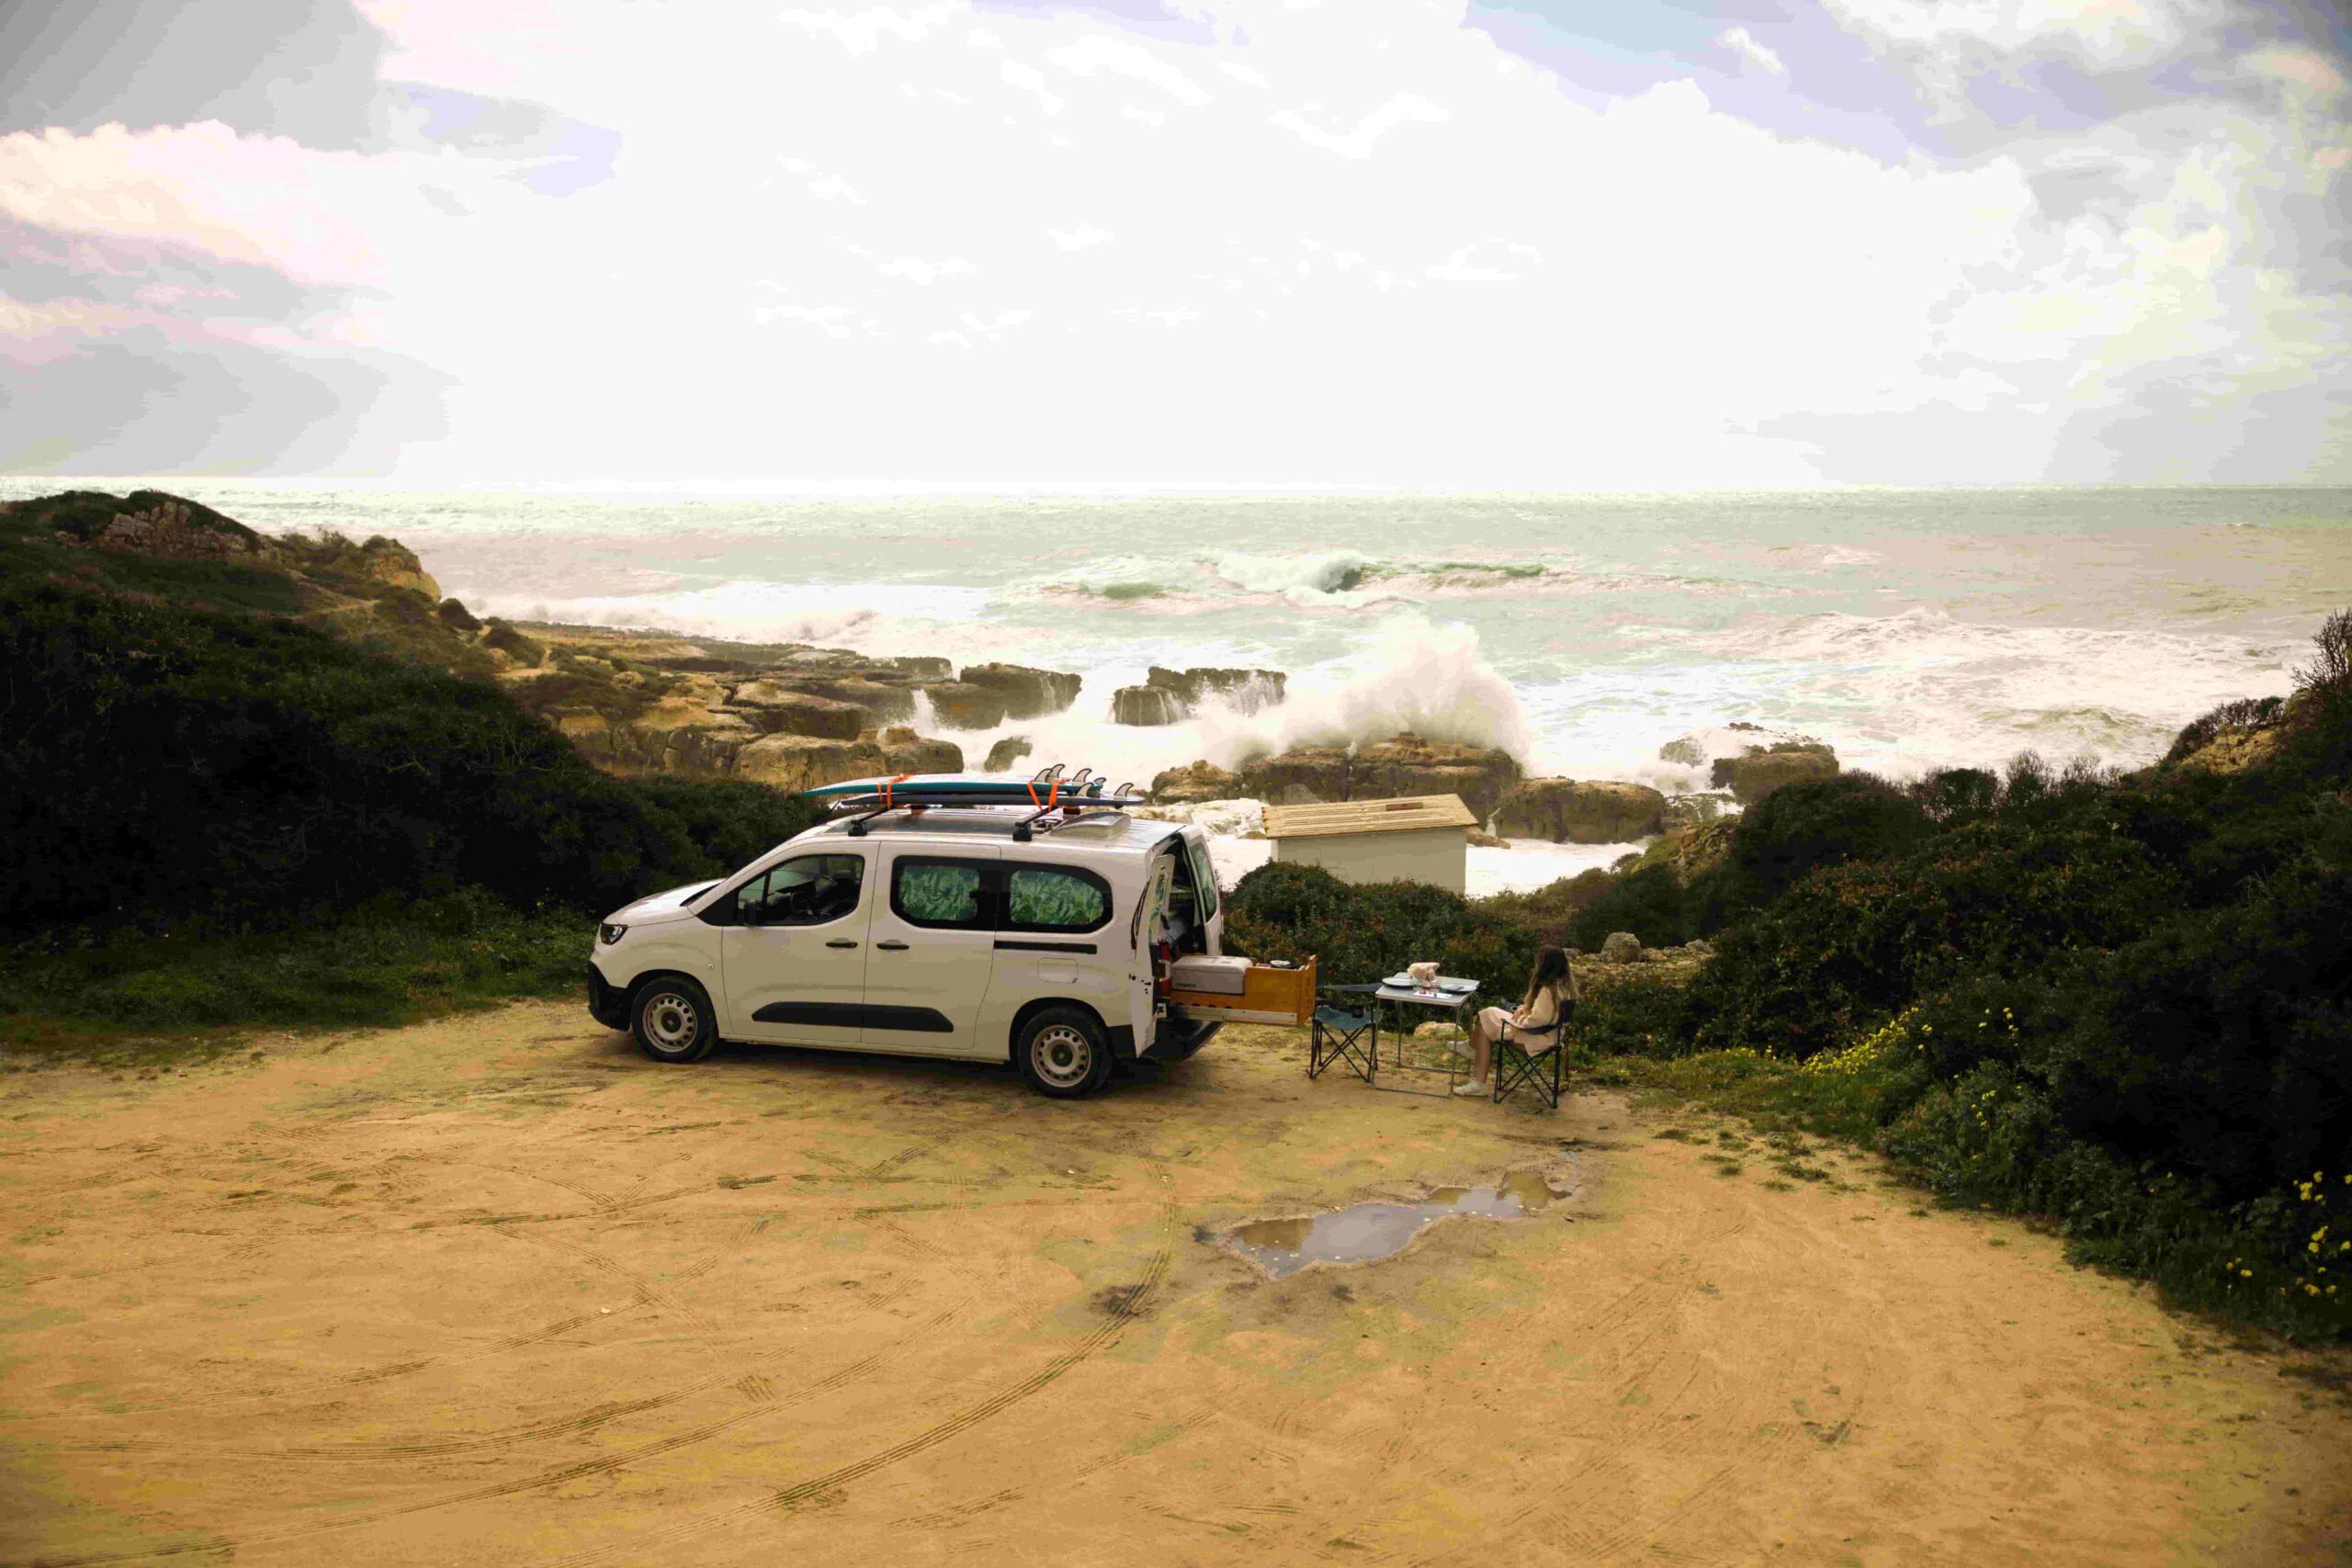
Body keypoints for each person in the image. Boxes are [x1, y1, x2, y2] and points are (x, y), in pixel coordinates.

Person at [1453, 945, 1577, 1097]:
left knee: (1486, 1023)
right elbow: (1548, 1015)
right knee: (1489, 1013)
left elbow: (1535, 1021)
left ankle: (1478, 1078)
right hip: (1551, 1035)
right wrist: (1525, 1009)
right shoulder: (1565, 987)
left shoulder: (1547, 991)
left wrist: (1521, 1016)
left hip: (1535, 1039)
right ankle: (1471, 1049)